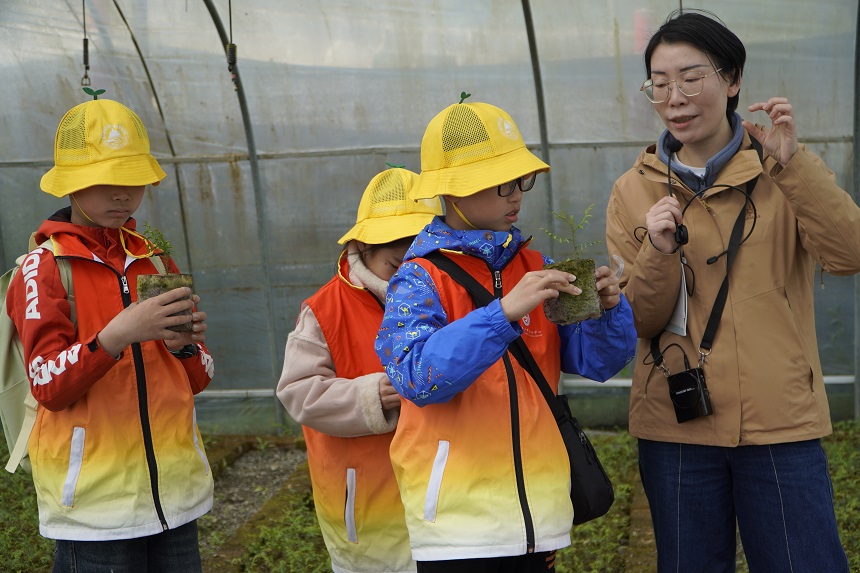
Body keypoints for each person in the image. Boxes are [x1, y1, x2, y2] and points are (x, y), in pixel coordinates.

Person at [605, 10, 856, 572]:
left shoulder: (782, 171)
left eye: (693, 78)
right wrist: (659, 252)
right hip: (677, 421)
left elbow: (850, 254)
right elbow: (637, 320)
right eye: (661, 84)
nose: (676, 97)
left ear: (733, 80)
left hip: (779, 421)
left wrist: (794, 168)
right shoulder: (632, 191)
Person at [374, 98, 637, 572]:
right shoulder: (417, 279)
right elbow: (415, 377)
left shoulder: (534, 268)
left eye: (522, 180)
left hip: (541, 516)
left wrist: (607, 314)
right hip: (459, 529)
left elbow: (596, 364)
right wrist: (502, 314)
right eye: (502, 183)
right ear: (454, 192)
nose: (517, 194)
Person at [5, 94, 215, 572]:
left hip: (177, 498)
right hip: (95, 506)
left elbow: (199, 377)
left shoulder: (155, 259)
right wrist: (114, 337)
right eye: (105, 182)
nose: (122, 195)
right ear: (73, 185)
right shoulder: (43, 268)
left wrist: (184, 346)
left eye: (133, 181)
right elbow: (48, 385)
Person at [277, 166, 442, 573]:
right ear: (363, 244)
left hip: (446, 491)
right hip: (367, 504)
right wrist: (373, 396)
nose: (408, 259)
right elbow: (298, 392)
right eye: (395, 252)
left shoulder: (448, 293)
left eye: (418, 244)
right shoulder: (325, 309)